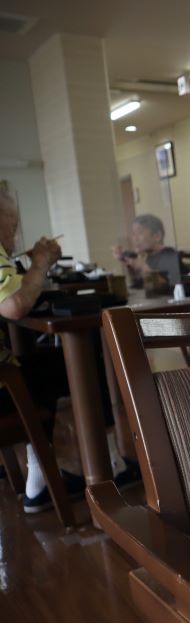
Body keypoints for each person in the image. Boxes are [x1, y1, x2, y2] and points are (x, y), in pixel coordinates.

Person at [0, 192, 80, 511]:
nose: (14, 236)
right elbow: (16, 304)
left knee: (37, 364)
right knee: (76, 364)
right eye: (12, 226)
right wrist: (41, 262)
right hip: (4, 388)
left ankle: (40, 477)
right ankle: (111, 467)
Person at [112, 214, 182, 289]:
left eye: (139, 233)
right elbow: (139, 286)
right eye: (133, 234)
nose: (135, 238)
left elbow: (173, 289)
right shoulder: (146, 257)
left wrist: (143, 267)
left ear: (157, 236)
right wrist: (127, 263)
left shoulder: (170, 256)